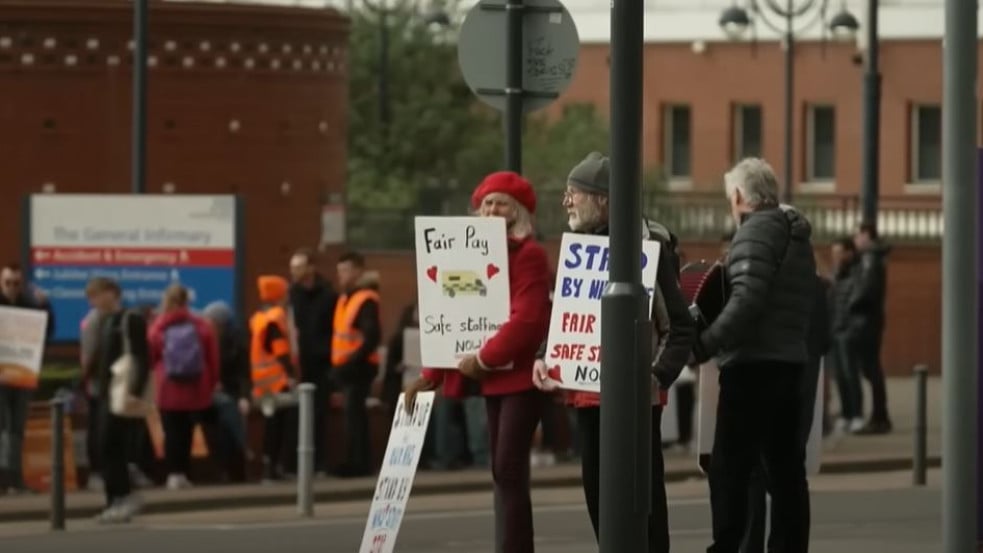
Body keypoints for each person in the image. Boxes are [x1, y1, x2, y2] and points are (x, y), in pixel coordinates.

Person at [531, 152, 696, 552]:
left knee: (644, 502)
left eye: (574, 193)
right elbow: (564, 317)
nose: (566, 202)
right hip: (587, 398)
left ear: (603, 200)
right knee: (599, 497)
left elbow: (680, 326)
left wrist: (654, 378)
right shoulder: (578, 247)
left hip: (636, 404)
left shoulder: (649, 247)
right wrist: (543, 356)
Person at [405, 170, 553, 553]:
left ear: (517, 212)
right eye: (486, 203)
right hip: (492, 377)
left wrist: (485, 358)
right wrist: (430, 375)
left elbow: (529, 318)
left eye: (501, 203)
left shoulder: (531, 256)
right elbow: (453, 317)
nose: (491, 210)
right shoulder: (465, 257)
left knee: (508, 468)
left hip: (521, 377)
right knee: (502, 471)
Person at [691, 158, 816, 553]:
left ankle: (725, 547)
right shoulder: (797, 237)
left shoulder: (754, 233)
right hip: (791, 364)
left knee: (729, 468)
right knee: (785, 473)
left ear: (739, 195)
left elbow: (746, 301)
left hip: (752, 369)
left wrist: (705, 344)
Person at [740, 271, 832, 553]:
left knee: (753, 471)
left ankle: (750, 546)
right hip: (801, 382)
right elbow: (825, 339)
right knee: (790, 474)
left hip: (765, 378)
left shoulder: (758, 276)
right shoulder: (815, 283)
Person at [85, 277, 150, 524]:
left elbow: (141, 356)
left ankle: (123, 497)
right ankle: (113, 501)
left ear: (112, 293)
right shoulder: (104, 321)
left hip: (121, 392)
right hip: (105, 392)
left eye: (97, 295)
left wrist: (135, 390)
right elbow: (99, 358)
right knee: (103, 447)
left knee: (112, 445)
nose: (94, 301)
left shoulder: (129, 319)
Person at [148, 284, 220, 490]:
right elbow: (213, 358)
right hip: (196, 386)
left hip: (168, 387)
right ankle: (185, 473)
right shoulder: (201, 325)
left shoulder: (158, 326)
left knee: (171, 431)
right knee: (188, 430)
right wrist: (212, 382)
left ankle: (173, 474)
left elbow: (151, 356)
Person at [0, 263, 53, 494]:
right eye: (8, 283)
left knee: (17, 429)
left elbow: (46, 332)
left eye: (16, 283)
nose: (12, 287)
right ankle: (5, 480)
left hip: (22, 376)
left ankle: (15, 479)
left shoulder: (30, 305)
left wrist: (46, 306)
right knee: (3, 429)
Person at [331, 251, 382, 477]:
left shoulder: (365, 298)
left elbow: (372, 336)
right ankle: (355, 460)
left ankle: (360, 463)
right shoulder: (346, 298)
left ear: (359, 270)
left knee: (355, 414)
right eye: (339, 270)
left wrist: (352, 361)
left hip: (358, 367)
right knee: (352, 414)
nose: (341, 274)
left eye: (346, 269)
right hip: (348, 368)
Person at [288, 248, 338, 475]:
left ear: (310, 268)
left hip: (321, 362)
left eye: (298, 267)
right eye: (292, 268)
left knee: (319, 414)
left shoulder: (328, 295)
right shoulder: (292, 294)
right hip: (300, 363)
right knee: (296, 413)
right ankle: (296, 463)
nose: (294, 272)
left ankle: (319, 463)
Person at [250, 275, 298, 482]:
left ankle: (270, 467)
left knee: (272, 426)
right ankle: (273, 469)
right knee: (278, 428)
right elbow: (281, 351)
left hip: (263, 383)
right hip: (278, 382)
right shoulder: (275, 318)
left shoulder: (259, 318)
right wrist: (292, 375)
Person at [202, 301, 251, 482]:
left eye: (211, 322)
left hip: (233, 392)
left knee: (228, 422)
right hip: (212, 393)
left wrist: (244, 396)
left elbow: (244, 372)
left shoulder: (236, 341)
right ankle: (223, 468)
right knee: (216, 427)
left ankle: (235, 469)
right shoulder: (207, 339)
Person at [851, 222, 892, 435]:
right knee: (871, 368)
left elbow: (866, 290)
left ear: (867, 235)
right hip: (870, 319)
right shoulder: (872, 258)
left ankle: (879, 417)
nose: (855, 240)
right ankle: (880, 415)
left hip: (866, 320)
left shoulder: (870, 259)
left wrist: (850, 304)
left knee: (871, 369)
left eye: (857, 235)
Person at [829, 237, 864, 433]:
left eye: (839, 252)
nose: (836, 257)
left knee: (851, 375)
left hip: (848, 331)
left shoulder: (858, 273)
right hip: (835, 329)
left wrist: (852, 328)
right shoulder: (836, 273)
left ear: (849, 253)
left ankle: (857, 414)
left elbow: (858, 301)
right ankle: (846, 414)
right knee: (840, 376)